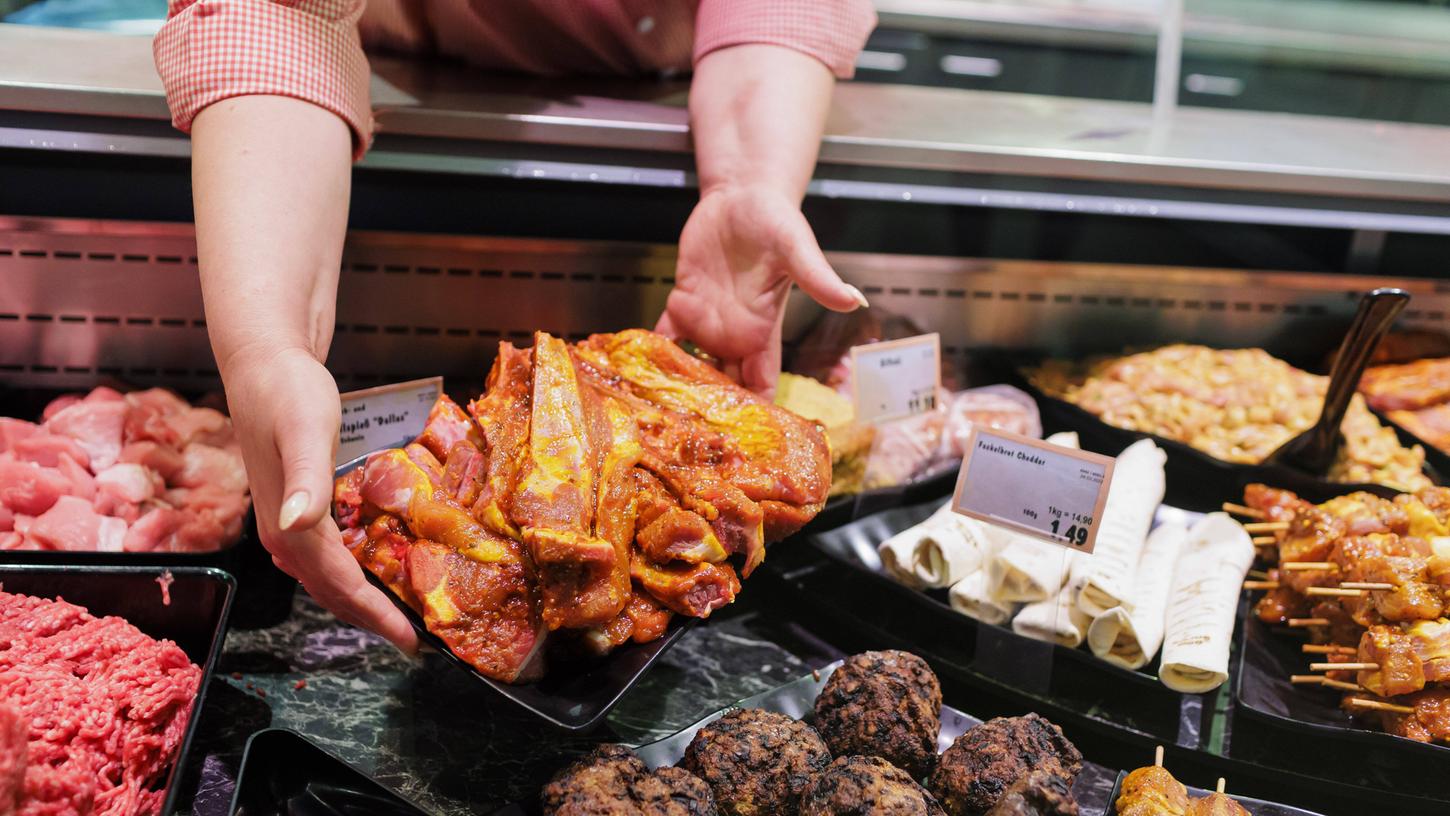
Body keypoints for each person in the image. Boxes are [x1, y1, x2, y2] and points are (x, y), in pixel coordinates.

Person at [152, 0, 876, 653]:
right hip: (354, 116)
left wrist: (748, 181)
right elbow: (277, 15)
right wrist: (267, 342)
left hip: (700, 109)